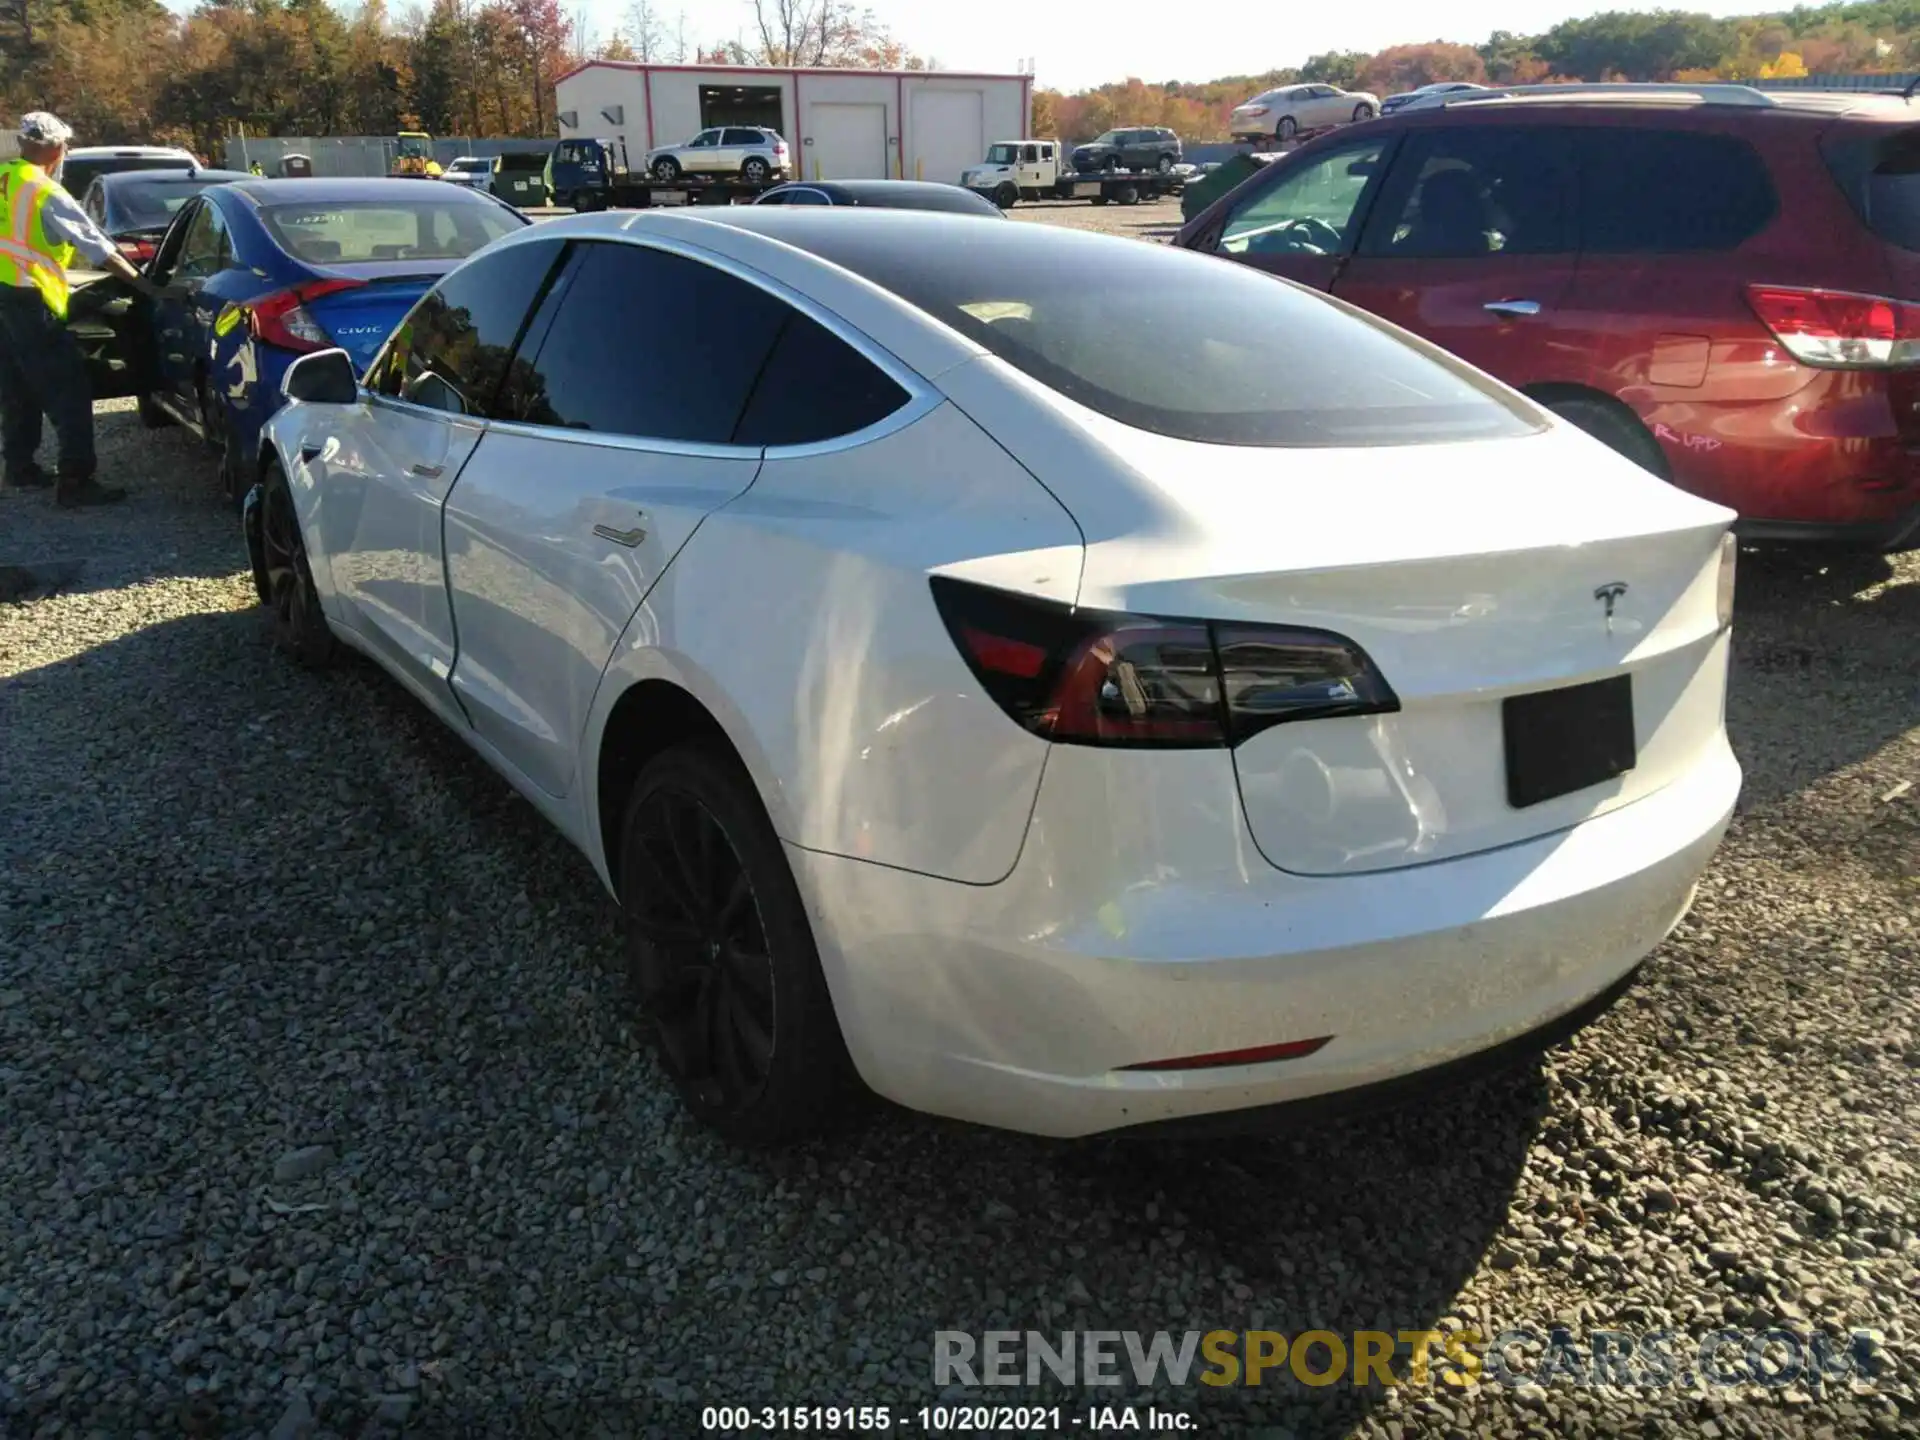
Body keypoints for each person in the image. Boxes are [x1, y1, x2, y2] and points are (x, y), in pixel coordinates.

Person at [0, 111, 156, 507]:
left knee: (17, 385)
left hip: (4, 294)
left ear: (22, 144)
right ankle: (75, 482)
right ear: (54, 148)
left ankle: (19, 467)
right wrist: (145, 285)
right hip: (31, 300)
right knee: (68, 390)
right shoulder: (45, 191)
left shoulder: (6, 179)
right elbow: (98, 248)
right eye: (64, 145)